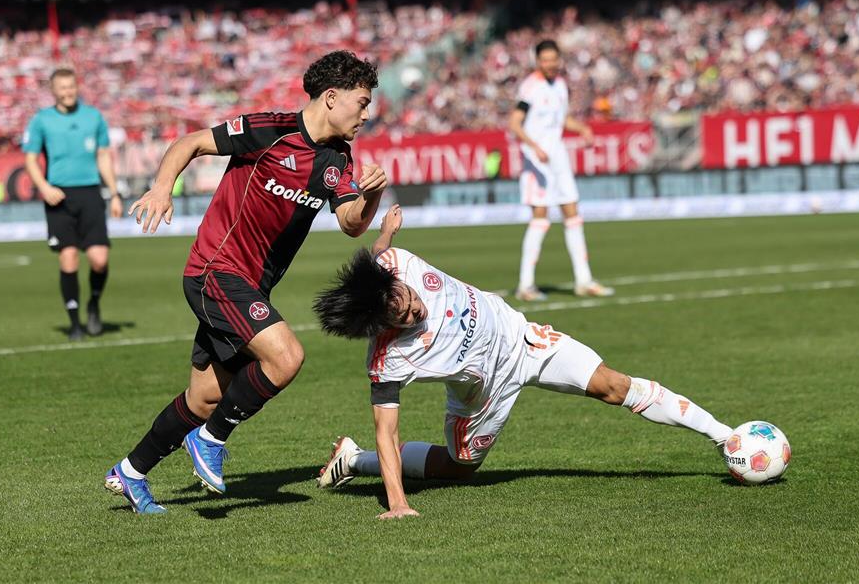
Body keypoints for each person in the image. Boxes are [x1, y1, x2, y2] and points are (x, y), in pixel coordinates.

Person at [313, 205, 732, 519]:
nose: (414, 312)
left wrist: (386, 231)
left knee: (612, 385)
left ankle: (724, 437)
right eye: (401, 318)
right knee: (458, 470)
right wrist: (398, 504)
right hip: (484, 395)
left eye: (407, 301)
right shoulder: (388, 360)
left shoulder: (393, 264)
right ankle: (353, 459)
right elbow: (387, 432)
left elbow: (378, 254)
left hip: (523, 339)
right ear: (380, 325)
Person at [104, 51, 387, 514]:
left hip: (250, 287)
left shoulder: (339, 159)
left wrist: (371, 195)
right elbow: (190, 143)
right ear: (332, 98)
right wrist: (161, 187)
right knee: (287, 356)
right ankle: (211, 440)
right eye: (362, 102)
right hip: (216, 271)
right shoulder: (269, 130)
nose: (366, 114)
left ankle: (131, 472)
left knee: (204, 398)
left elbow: (351, 224)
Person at [509, 40, 613, 302]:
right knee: (540, 218)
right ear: (537, 61)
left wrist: (583, 128)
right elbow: (515, 123)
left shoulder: (560, 86)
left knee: (573, 213)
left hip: (558, 157)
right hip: (537, 160)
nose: (550, 64)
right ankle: (525, 285)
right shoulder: (530, 87)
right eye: (545, 59)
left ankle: (584, 281)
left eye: (553, 59)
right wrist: (534, 146)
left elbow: (562, 119)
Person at [23, 68, 122, 340]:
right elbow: (30, 159)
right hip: (59, 195)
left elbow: (103, 155)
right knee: (69, 258)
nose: (68, 92)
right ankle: (75, 323)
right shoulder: (41, 120)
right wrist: (44, 187)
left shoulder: (93, 117)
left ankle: (94, 303)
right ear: (53, 91)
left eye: (71, 86)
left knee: (99, 260)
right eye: (62, 87)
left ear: (77, 87)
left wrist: (114, 193)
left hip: (90, 192)